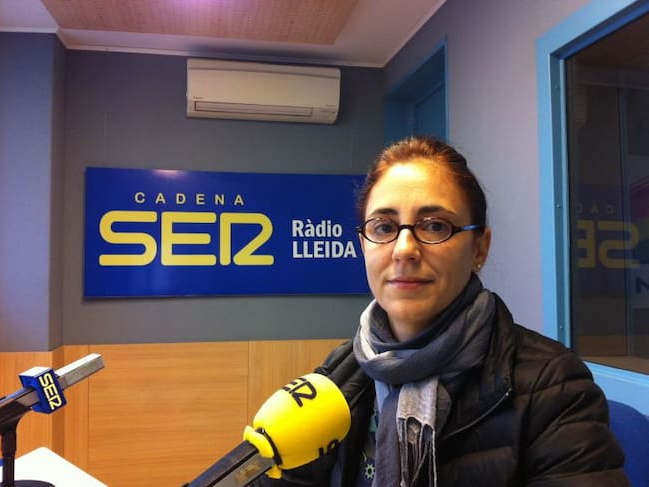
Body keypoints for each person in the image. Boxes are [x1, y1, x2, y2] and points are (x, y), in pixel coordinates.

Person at [255, 135, 628, 486]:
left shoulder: (555, 386)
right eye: (383, 227)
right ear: (364, 245)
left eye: (435, 226)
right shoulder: (337, 376)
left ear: (479, 249)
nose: (404, 249)